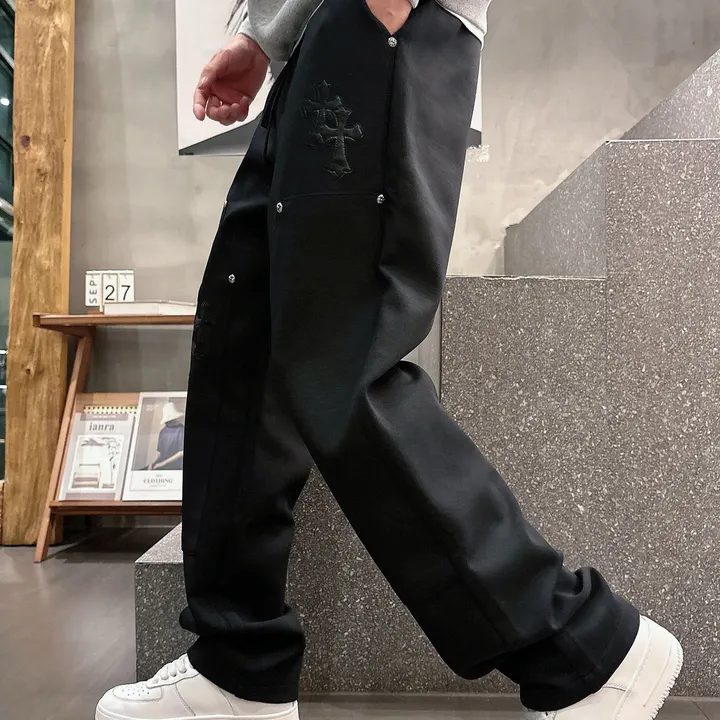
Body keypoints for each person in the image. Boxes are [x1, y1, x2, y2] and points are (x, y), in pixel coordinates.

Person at [95, 0, 683, 718]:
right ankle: (237, 665)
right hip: (317, 42)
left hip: (380, 22)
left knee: (345, 363)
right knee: (244, 347)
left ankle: (584, 648)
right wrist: (263, 37)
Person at [148, 402, 185, 472]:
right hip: (163, 465)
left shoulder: (181, 429)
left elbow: (182, 452)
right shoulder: (162, 431)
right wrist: (153, 463)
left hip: (176, 466)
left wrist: (164, 463)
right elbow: (160, 452)